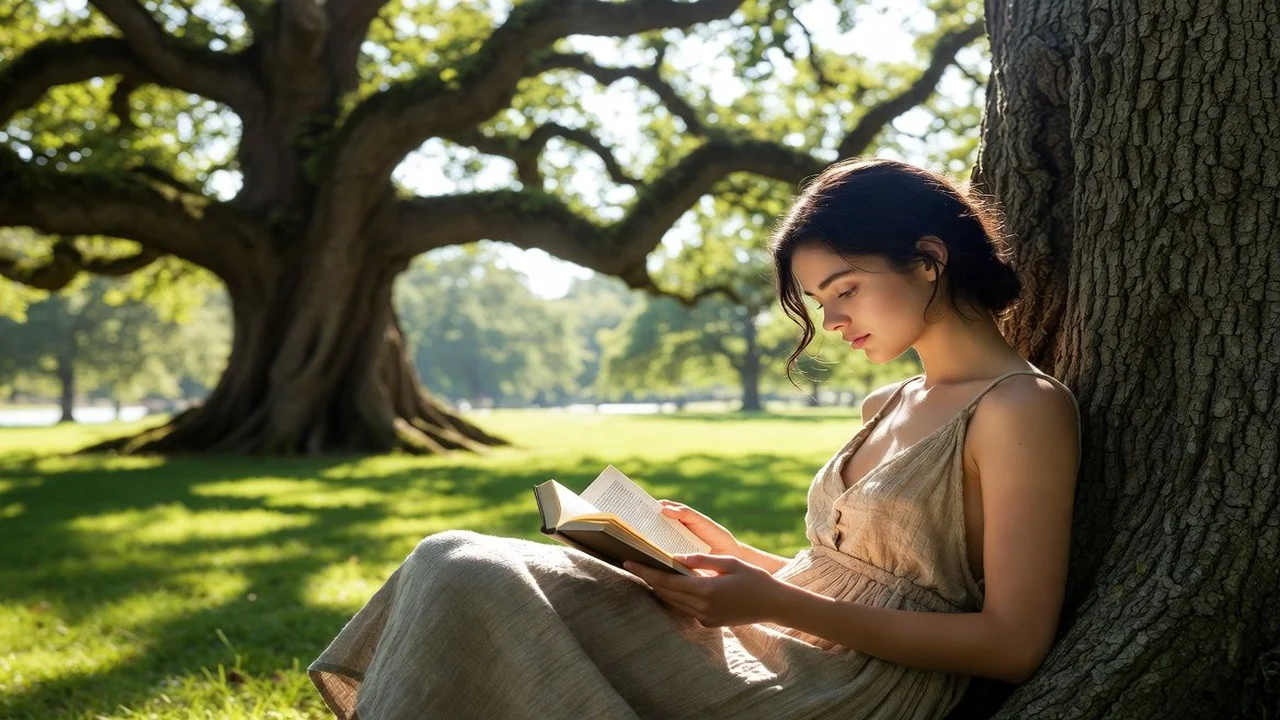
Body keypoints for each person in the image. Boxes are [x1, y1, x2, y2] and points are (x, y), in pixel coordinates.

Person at [307, 157, 1082, 719]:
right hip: (789, 636)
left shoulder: (1021, 409)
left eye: (844, 289)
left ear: (929, 258)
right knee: (457, 560)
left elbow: (1012, 644)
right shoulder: (889, 401)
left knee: (467, 574)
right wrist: (736, 558)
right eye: (818, 302)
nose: (832, 321)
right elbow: (862, 577)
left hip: (853, 692)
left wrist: (772, 599)